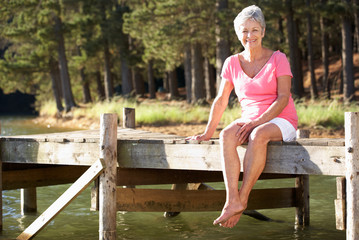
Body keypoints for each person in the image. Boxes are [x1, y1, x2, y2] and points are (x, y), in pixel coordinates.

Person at [186, 5, 298, 228]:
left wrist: (257, 122)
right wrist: (208, 132)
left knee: (258, 134)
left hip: (280, 119)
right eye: (245, 31)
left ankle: (243, 198)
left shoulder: (278, 58)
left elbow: (283, 98)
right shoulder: (231, 62)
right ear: (239, 34)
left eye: (255, 30)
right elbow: (221, 99)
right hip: (250, 119)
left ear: (263, 31)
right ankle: (231, 200)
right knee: (227, 135)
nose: (250, 36)